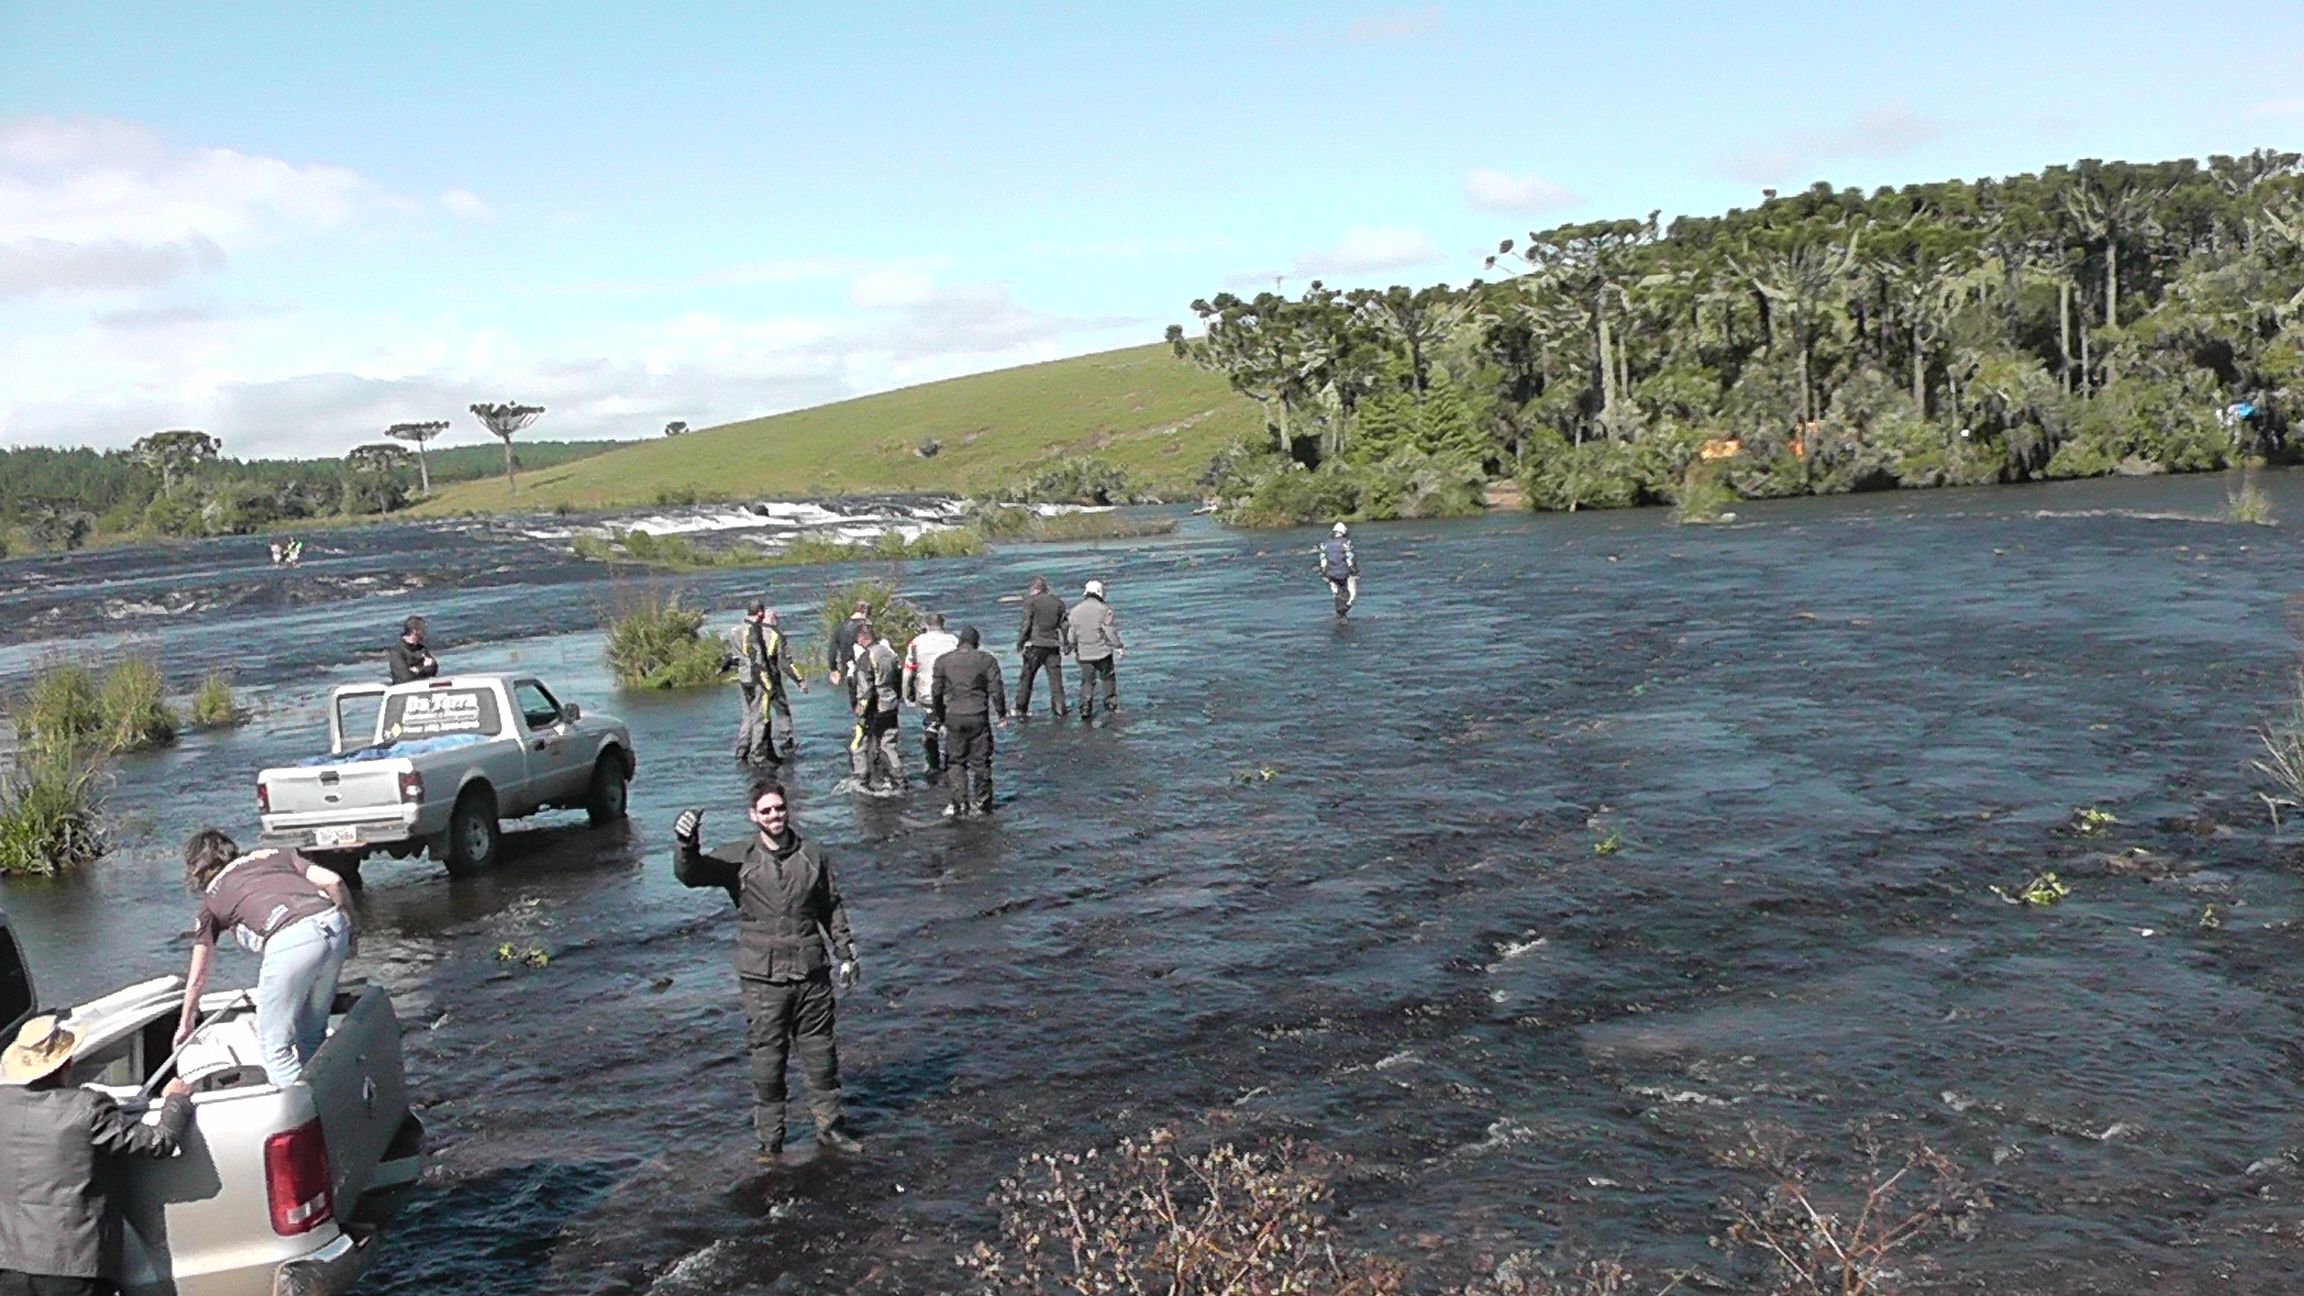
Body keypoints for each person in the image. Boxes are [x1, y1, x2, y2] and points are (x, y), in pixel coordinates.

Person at [672, 781, 862, 1159]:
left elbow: (831, 906)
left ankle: (830, 1128)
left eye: (779, 808)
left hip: (812, 974)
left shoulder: (812, 855)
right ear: (753, 816)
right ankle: (770, 1143)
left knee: (822, 1056)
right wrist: (686, 844)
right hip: (763, 980)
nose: (774, 816)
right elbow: (691, 874)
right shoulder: (739, 858)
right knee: (768, 1063)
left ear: (787, 809)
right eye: (766, 811)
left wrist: (846, 952)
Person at [0, 1016, 192, 1296]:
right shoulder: (88, 1107)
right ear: (67, 1062)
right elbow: (158, 1143)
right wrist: (176, 1101)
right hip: (74, 1266)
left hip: (9, 1265)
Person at [173, 830, 356, 1087]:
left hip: (290, 939)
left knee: (274, 1048)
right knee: (311, 1034)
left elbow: (198, 977)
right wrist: (352, 931)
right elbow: (334, 881)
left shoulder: (211, 901)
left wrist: (186, 1023)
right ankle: (331, 1095)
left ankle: (307, 1108)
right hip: (332, 925)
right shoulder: (275, 855)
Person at [930, 625, 1007, 817]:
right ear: (977, 643)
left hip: (954, 715)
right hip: (978, 715)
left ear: (959, 642)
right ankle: (982, 803)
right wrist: (1001, 713)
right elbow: (996, 689)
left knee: (955, 761)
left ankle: (959, 802)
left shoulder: (943, 661)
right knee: (981, 762)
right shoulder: (986, 660)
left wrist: (940, 716)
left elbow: (936, 692)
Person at [845, 624, 903, 794]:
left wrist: (860, 710)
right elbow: (898, 678)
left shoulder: (866, 657)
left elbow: (865, 689)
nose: (858, 642)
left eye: (858, 639)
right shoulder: (889, 653)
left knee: (859, 743)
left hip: (874, 707)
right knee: (888, 744)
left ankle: (861, 779)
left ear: (863, 637)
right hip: (890, 704)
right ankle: (898, 780)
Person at [902, 613, 960, 774]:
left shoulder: (916, 643)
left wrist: (906, 695)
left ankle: (932, 761)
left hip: (926, 692)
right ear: (943, 625)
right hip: (950, 691)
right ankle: (951, 761)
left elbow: (908, 673)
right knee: (950, 724)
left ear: (926, 626)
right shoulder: (954, 641)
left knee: (931, 721)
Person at [1064, 579, 1125, 721]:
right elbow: (1109, 632)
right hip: (1103, 652)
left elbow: (1071, 636)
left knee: (1087, 682)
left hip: (1084, 654)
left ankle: (1085, 708)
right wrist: (1118, 645)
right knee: (1108, 678)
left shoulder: (1075, 611)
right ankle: (1110, 705)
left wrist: (1070, 648)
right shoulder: (1104, 610)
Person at [1014, 576, 1069, 719]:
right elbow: (1064, 625)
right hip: (1053, 646)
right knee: (1056, 681)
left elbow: (1026, 624)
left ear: (1034, 588)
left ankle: (1020, 709)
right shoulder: (1058, 602)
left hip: (1035, 645)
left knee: (1027, 678)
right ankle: (1059, 709)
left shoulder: (1031, 602)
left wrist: (1020, 643)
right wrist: (1067, 644)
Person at [729, 600, 776, 766]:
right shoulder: (754, 630)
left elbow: (733, 657)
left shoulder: (735, 630)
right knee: (759, 717)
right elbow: (757, 659)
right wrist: (767, 684)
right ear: (760, 612)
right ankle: (757, 755)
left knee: (747, 717)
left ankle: (741, 752)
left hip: (742, 677)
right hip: (756, 678)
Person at [760, 609, 807, 760]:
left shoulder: (751, 632)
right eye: (776, 618)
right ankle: (787, 744)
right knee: (782, 711)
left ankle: (756, 746)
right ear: (772, 619)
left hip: (752, 680)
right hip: (771, 679)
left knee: (758, 714)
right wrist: (799, 680)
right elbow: (785, 663)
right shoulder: (775, 634)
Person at [1319, 522, 1359, 618]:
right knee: (1352, 594)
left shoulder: (1325, 544)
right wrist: (1354, 570)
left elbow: (1323, 560)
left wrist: (1323, 572)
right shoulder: (1346, 543)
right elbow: (1349, 559)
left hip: (1330, 573)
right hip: (1344, 573)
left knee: (1336, 592)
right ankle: (1345, 608)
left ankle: (1339, 612)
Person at [827, 601, 870, 686]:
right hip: (864, 668)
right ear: (865, 610)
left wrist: (833, 668)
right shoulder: (865, 627)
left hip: (847, 668)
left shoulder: (840, 627)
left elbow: (832, 650)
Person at [387, 615, 438, 684]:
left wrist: (416, 670)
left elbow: (433, 667)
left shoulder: (422, 649)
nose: (425, 632)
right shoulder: (397, 651)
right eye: (423, 630)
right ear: (414, 631)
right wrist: (422, 667)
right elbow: (405, 677)